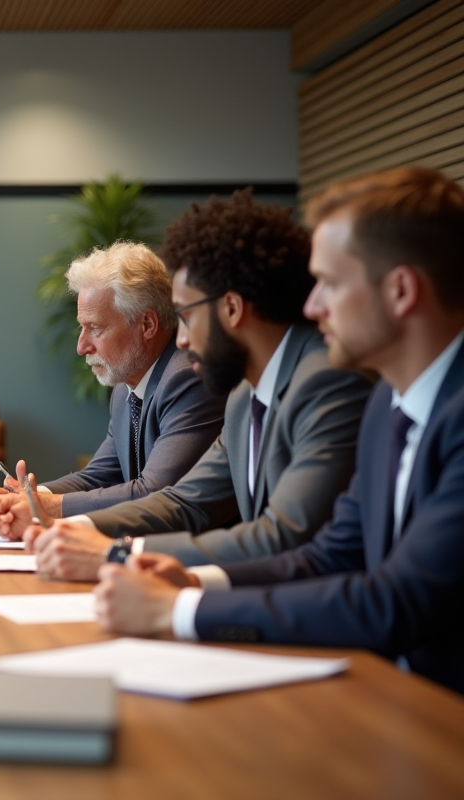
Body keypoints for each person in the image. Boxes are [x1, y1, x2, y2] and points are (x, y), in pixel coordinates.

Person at [91, 167, 464, 695]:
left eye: (331, 284)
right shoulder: (388, 403)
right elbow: (330, 555)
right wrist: (192, 580)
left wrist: (181, 609)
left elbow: (394, 601)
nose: (312, 306)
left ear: (401, 290)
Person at [0, 192, 373, 581]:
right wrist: (74, 528)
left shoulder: (327, 381)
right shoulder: (243, 395)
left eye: (187, 316)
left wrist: (117, 552)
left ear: (231, 308)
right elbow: (185, 501)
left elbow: (283, 535)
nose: (181, 339)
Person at [0, 242, 225, 519]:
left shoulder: (187, 378)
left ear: (147, 325)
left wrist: (49, 506)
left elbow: (154, 492)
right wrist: (31, 497)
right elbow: (99, 476)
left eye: (95, 328)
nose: (81, 347)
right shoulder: (124, 389)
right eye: (82, 328)